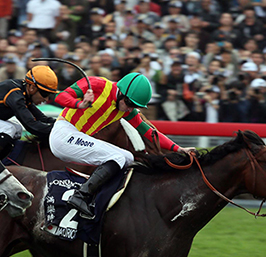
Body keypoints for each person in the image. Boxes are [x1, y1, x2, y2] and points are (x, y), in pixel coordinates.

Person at [50, 73, 194, 218]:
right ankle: (80, 196)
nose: (131, 110)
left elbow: (150, 132)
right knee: (117, 157)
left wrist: (178, 148)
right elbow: (60, 96)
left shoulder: (125, 109)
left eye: (135, 107)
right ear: (122, 94)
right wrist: (80, 104)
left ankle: (102, 197)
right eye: (131, 104)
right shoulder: (97, 84)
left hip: (76, 138)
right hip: (64, 134)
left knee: (128, 157)